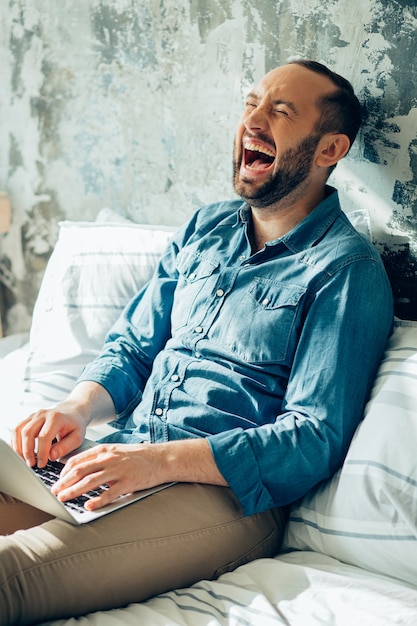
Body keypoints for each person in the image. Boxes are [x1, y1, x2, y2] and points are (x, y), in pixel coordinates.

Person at [0, 59, 393, 625]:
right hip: (124, 453)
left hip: (226, 500)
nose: (253, 122)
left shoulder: (344, 270)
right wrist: (75, 408)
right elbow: (133, 348)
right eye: (251, 103)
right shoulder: (204, 228)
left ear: (330, 150)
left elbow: (313, 437)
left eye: (280, 111)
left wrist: (157, 464)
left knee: (12, 576)